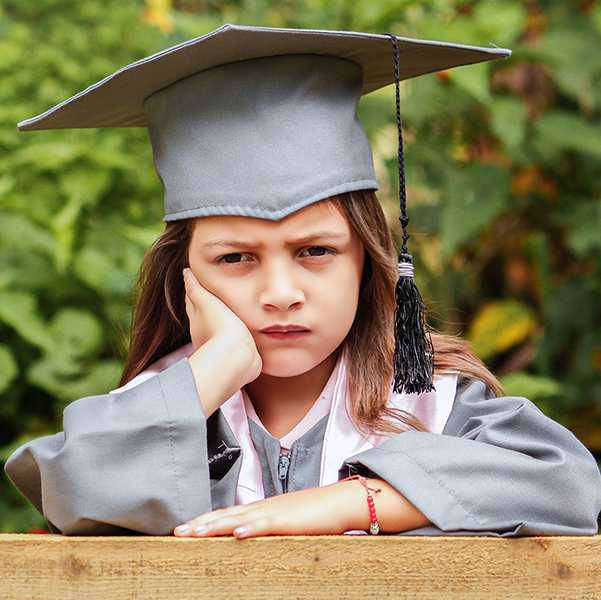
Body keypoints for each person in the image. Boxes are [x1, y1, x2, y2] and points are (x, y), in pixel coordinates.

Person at [5, 24, 601, 538]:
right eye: (235, 258)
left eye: (316, 250)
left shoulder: (431, 403)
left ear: (367, 258)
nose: (281, 291)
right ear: (184, 273)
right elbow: (73, 488)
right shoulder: (164, 409)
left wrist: (353, 502)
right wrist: (214, 368)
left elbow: (566, 483)